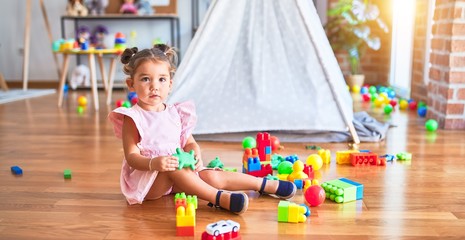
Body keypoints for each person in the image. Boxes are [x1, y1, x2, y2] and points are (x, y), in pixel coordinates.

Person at [108, 44, 296, 214]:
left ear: (170, 84)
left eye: (162, 79)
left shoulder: (175, 113)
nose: (154, 86)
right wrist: (154, 163)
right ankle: (219, 198)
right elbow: (132, 157)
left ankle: (265, 184)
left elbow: (189, 142)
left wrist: (195, 154)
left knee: (212, 176)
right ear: (131, 84)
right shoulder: (133, 117)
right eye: (146, 79)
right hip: (149, 182)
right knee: (175, 169)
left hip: (179, 174)